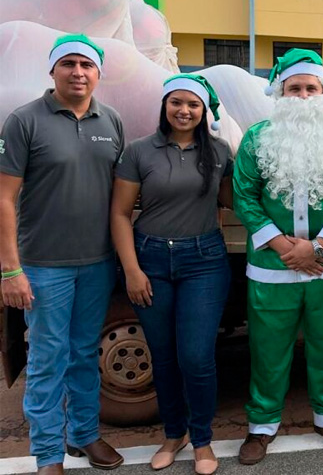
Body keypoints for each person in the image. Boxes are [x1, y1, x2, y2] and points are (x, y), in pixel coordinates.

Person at [232, 49, 323, 464]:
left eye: (312, 88)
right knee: (268, 347)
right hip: (273, 266)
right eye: (295, 88)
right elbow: (244, 196)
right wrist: (286, 247)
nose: (304, 95)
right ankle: (261, 425)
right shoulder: (257, 137)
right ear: (280, 92)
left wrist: (317, 246)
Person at [0, 34, 125, 475]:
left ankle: (84, 435)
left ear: (98, 73)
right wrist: (10, 269)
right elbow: (3, 198)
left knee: (84, 352)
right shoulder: (24, 121)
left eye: (86, 65)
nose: (78, 72)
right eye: (68, 63)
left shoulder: (110, 120)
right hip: (43, 266)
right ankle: (49, 454)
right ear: (52, 70)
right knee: (48, 357)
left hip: (96, 262)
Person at [109, 74, 233, 475]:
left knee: (196, 357)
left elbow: (234, 200)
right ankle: (173, 434)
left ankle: (202, 440)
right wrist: (132, 270)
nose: (184, 111)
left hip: (204, 260)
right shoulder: (139, 151)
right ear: (164, 106)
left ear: (204, 110)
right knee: (162, 357)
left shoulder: (218, 151)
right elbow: (120, 214)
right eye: (176, 102)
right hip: (151, 261)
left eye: (193, 104)